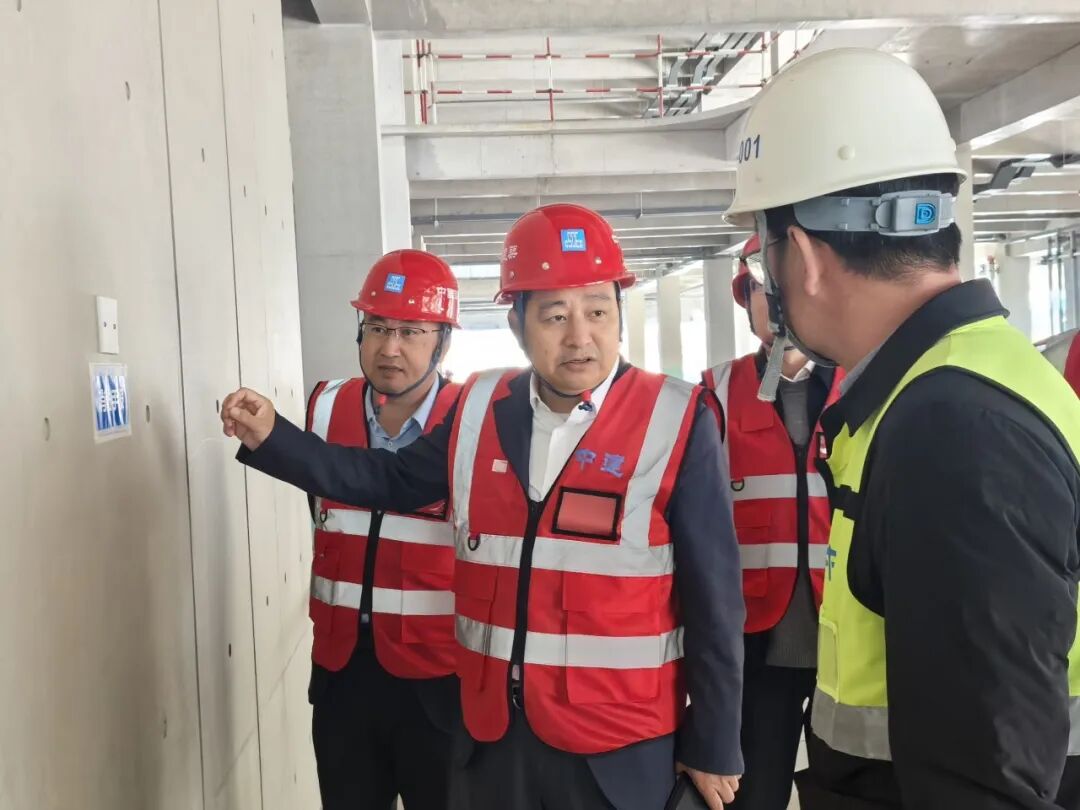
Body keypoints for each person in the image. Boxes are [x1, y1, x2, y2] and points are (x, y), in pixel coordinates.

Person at [220, 203, 746, 810]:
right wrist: (275, 438)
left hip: (619, 747)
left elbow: (715, 597)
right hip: (493, 738)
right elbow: (387, 479)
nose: (580, 337)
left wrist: (714, 741)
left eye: (598, 311)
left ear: (620, 315)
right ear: (517, 323)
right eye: (555, 316)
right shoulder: (481, 408)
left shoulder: (676, 418)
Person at [723, 47, 1080, 809]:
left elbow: (979, 786)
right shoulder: (961, 382)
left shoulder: (951, 431)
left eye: (765, 260)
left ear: (805, 257)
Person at [303, 249, 462, 810]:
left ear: (443, 340)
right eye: (377, 327)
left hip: (440, 685)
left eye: (411, 331)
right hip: (342, 675)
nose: (389, 348)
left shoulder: (471, 422)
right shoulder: (324, 408)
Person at [701, 234, 842, 810]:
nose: (776, 302)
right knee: (754, 795)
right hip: (755, 646)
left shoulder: (864, 385)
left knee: (849, 792)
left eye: (784, 286)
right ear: (746, 300)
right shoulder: (712, 394)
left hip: (849, 641)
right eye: (762, 289)